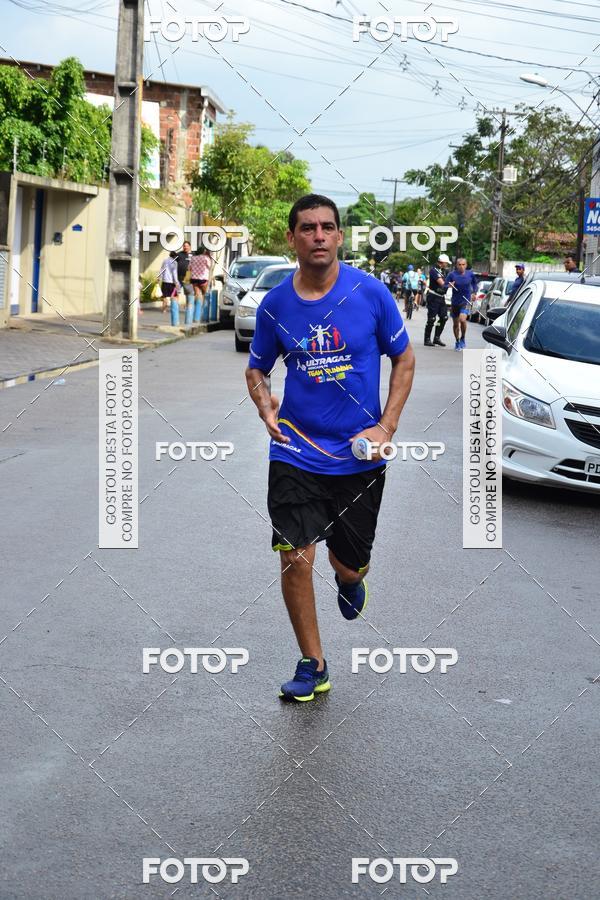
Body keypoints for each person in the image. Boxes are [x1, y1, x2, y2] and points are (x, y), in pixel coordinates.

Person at [245, 193, 415, 702]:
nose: (318, 235)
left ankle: (350, 578)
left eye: (327, 227)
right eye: (307, 228)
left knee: (350, 563)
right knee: (296, 555)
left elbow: (404, 362)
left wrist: (386, 428)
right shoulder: (276, 305)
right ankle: (313, 664)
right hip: (294, 449)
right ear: (292, 238)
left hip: (359, 455)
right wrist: (263, 402)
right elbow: (257, 368)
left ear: (339, 236)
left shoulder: (371, 294)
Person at [445, 257, 478, 351]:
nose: (461, 266)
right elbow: (445, 285)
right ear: (456, 265)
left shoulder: (470, 274)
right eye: (459, 265)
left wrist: (474, 293)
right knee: (456, 324)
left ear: (466, 265)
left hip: (466, 301)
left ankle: (463, 337)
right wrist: (449, 285)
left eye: (463, 264)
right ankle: (457, 341)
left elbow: (475, 284)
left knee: (462, 320)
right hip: (455, 302)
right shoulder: (452, 274)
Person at [424, 253, 450, 346]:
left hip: (441, 297)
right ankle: (427, 339)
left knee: (444, 317)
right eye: (446, 263)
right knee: (432, 319)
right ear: (441, 262)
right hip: (433, 297)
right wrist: (449, 284)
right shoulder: (434, 271)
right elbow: (442, 283)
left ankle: (436, 338)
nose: (447, 265)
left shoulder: (443, 271)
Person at [174, 240, 193, 312]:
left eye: (187, 246)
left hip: (188, 276)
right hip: (179, 276)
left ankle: (188, 306)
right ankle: (176, 306)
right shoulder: (179, 254)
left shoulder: (193, 255)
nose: (185, 247)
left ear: (190, 247)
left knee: (188, 292)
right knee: (176, 291)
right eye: (184, 246)